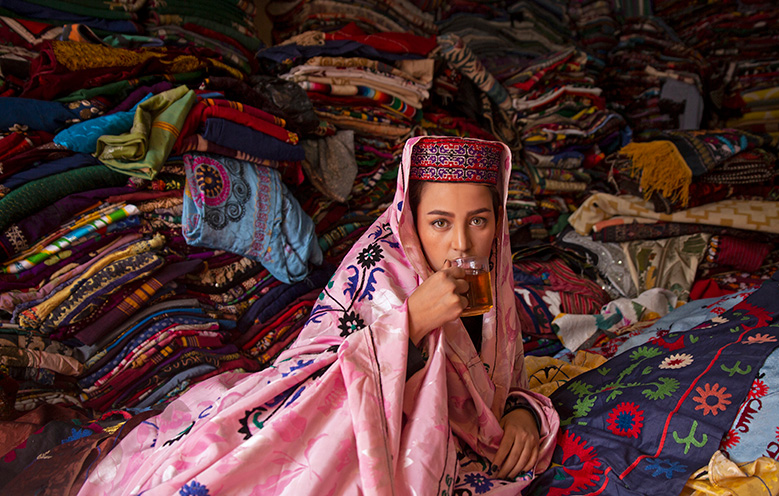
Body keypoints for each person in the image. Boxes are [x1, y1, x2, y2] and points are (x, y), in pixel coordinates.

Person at [78, 136, 559, 496]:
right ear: (410, 220)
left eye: (478, 220)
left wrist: (520, 411)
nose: (460, 243)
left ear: (498, 224)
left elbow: (496, 382)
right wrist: (409, 321)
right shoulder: (376, 270)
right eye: (439, 222)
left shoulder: (493, 284)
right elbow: (317, 376)